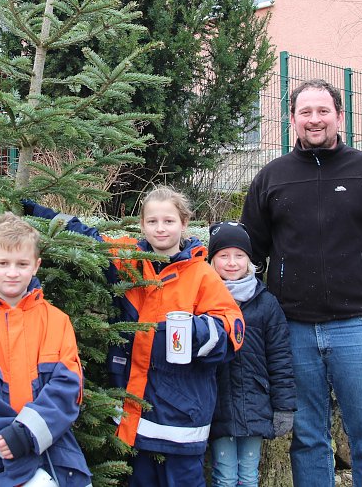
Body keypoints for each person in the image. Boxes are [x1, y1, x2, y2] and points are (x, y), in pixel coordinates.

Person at [240, 78, 362, 487]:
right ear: (292, 119)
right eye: (305, 112)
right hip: (292, 330)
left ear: (340, 116)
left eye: (323, 111)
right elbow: (247, 252)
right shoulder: (272, 178)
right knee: (307, 439)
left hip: (361, 327)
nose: (314, 120)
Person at [23, 187, 245, 487]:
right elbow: (87, 238)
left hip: (181, 420)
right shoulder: (128, 260)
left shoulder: (202, 275)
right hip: (134, 419)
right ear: (142, 225)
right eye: (152, 221)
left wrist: (196, 331)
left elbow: (232, 329)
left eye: (168, 221)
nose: (160, 228)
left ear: (184, 223)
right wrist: (39, 214)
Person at [0, 212, 92, 487]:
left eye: (22, 264)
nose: (12, 272)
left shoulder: (57, 321)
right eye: (3, 263)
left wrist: (28, 434)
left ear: (36, 266)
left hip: (53, 453)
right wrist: (9, 439)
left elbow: (69, 387)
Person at [207, 221, 295, 487]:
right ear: (212, 260)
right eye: (223, 255)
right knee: (224, 474)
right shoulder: (205, 298)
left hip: (255, 402)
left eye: (239, 255)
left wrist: (284, 406)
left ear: (250, 260)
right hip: (217, 403)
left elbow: (280, 357)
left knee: (248, 474)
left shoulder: (265, 303)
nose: (231, 262)